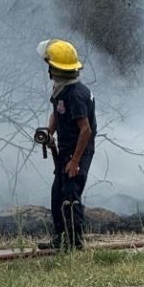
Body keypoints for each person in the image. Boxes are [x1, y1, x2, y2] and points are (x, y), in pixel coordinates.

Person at [36, 39, 96, 251]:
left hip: (79, 150)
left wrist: (75, 161)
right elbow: (56, 112)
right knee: (57, 193)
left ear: (56, 69)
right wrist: (49, 132)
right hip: (66, 149)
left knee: (70, 194)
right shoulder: (61, 89)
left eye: (50, 65)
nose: (48, 69)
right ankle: (60, 238)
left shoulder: (76, 95)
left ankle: (75, 241)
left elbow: (86, 130)